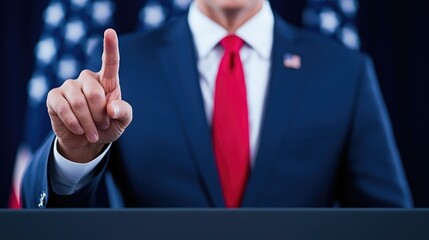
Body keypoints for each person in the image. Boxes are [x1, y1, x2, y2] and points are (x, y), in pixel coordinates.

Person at [22, 0, 412, 208]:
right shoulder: (126, 66)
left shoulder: (344, 72)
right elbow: (56, 217)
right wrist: (74, 155)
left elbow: (390, 226)